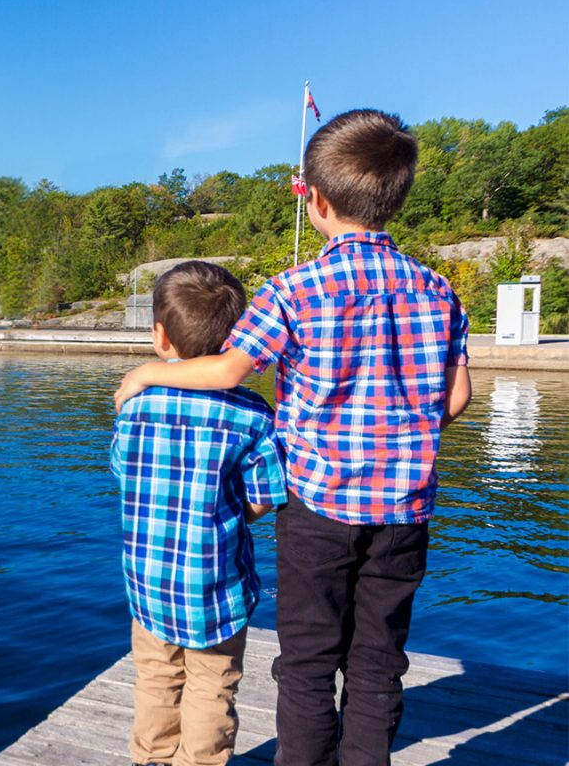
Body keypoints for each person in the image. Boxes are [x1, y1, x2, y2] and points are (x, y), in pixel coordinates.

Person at [114, 109, 473, 766]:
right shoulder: (440, 290)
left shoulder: (293, 289)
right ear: (395, 196)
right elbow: (456, 398)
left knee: (307, 666)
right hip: (405, 512)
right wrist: (402, 431)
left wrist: (144, 372)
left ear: (317, 200)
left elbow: (228, 368)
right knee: (376, 666)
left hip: (317, 510)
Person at [111, 260, 286, 766]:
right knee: (213, 689)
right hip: (217, 587)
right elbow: (264, 496)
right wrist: (224, 509)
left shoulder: (135, 404)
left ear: (160, 337)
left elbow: (125, 475)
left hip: (149, 585)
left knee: (156, 680)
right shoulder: (252, 415)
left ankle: (152, 759)